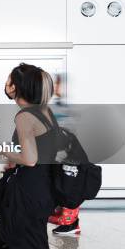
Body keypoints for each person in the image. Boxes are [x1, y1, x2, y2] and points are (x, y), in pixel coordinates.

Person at [0, 63, 57, 248]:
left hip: (28, 191)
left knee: (23, 241)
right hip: (45, 187)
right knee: (36, 240)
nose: (6, 84)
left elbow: (30, 160)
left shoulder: (24, 116)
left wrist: (4, 151)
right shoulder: (45, 111)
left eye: (8, 80)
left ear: (15, 86)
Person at [48, 73, 82, 235]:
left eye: (57, 84)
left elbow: (67, 131)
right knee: (62, 187)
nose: (55, 87)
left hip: (66, 154)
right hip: (59, 154)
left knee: (67, 188)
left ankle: (71, 224)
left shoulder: (65, 106)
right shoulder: (58, 105)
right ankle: (67, 222)